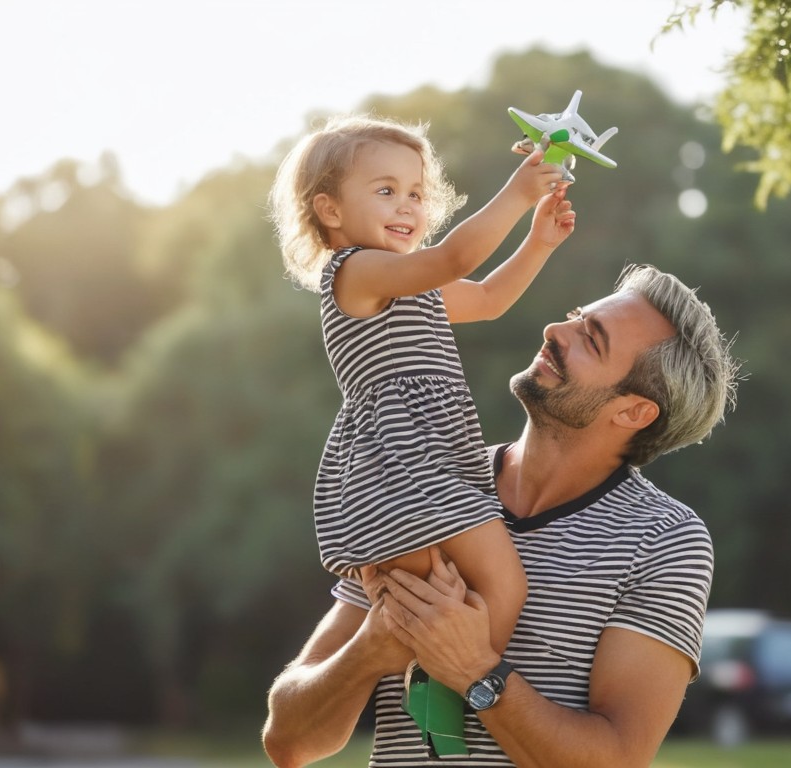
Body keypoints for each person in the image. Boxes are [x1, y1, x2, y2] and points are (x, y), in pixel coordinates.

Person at [262, 263, 739, 767]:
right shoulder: (423, 481)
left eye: (591, 340)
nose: (555, 331)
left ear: (633, 413)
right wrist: (372, 648)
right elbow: (287, 741)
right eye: (576, 317)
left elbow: (617, 759)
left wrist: (473, 669)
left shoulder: (666, 540)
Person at [267, 114, 574, 755]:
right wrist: (519, 192)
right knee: (499, 588)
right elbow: (457, 256)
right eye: (384, 190)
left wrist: (538, 243)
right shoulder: (356, 272)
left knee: (457, 598)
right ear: (329, 210)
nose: (406, 205)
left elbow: (488, 297)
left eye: (414, 192)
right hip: (400, 470)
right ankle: (442, 691)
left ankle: (432, 693)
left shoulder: (415, 290)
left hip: (432, 467)